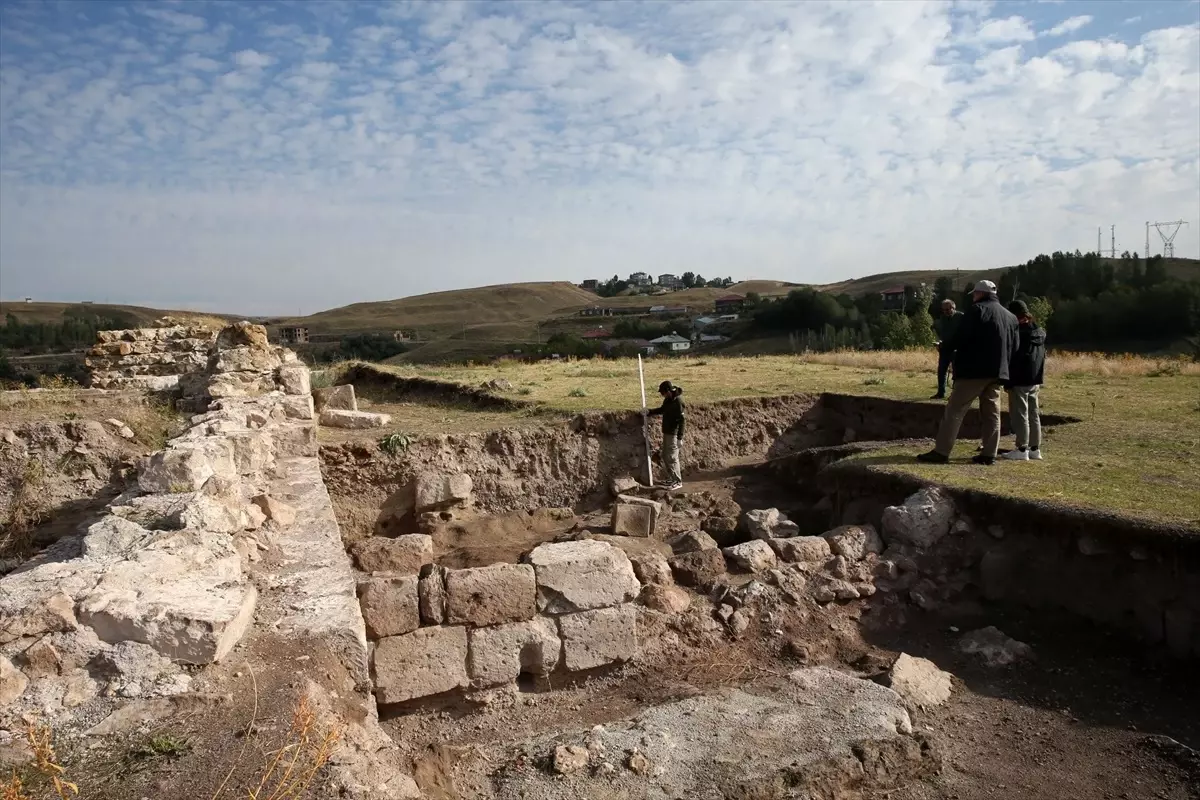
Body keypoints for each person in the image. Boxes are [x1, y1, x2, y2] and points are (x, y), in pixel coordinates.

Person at [917, 280, 1018, 466]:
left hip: (973, 370)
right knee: (992, 413)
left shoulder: (977, 310)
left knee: (955, 410)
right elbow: (1015, 346)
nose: (972, 296)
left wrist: (944, 347)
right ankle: (989, 453)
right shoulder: (1010, 317)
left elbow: (961, 336)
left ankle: (941, 451)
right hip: (997, 372)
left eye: (974, 293)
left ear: (980, 293)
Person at [1002, 300, 1046, 461]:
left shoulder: (1018, 334)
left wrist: (1007, 380)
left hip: (1019, 379)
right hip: (1034, 379)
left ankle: (1022, 449)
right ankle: (1035, 448)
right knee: (1034, 414)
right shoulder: (1039, 331)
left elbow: (1014, 359)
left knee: (1020, 415)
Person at [645, 380, 685, 490]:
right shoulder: (668, 400)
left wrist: (679, 438)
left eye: (662, 393)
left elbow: (682, 421)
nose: (661, 395)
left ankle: (678, 481)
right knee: (665, 456)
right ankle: (672, 478)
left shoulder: (678, 403)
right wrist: (649, 412)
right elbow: (662, 410)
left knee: (672, 457)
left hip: (674, 434)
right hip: (666, 433)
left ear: (668, 391)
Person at [931, 299, 963, 400]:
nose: (946, 312)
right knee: (941, 371)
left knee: (956, 372)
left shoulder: (961, 317)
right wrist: (939, 342)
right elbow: (940, 332)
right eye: (944, 310)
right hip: (944, 348)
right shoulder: (943, 318)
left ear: (954, 308)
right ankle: (941, 393)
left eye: (948, 309)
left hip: (957, 349)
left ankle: (954, 395)